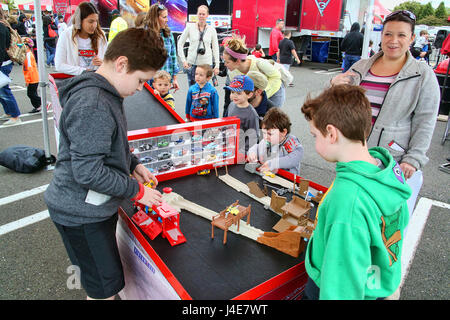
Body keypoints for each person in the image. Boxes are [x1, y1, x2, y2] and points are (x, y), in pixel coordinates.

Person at [44, 28, 167, 300]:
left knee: (105, 279)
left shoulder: (105, 92)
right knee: (103, 286)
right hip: (80, 212)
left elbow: (108, 144)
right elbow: (89, 172)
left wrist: (132, 162)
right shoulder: (95, 103)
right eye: (140, 80)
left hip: (89, 208)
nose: (141, 88)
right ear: (122, 64)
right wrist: (137, 191)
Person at [300, 84, 412, 300]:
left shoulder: (347, 200)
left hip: (330, 287)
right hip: (376, 285)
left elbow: (342, 287)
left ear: (331, 133)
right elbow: (394, 233)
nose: (315, 141)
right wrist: (391, 288)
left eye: (315, 135)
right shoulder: (386, 173)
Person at [331, 10, 440, 218]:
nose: (393, 41)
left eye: (401, 35)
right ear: (381, 36)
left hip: (390, 162)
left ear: (412, 38)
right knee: (349, 215)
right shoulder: (362, 66)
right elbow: (336, 105)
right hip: (353, 157)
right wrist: (332, 86)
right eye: (388, 34)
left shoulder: (422, 74)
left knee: (381, 221)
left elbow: (425, 121)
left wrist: (413, 159)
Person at [224, 34, 285, 107]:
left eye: (227, 62)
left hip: (274, 90)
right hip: (254, 95)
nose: (225, 64)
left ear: (238, 61)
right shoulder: (232, 73)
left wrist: (263, 94)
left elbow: (276, 76)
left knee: (271, 116)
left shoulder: (259, 63)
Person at [55, 2, 108, 75]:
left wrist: (102, 63)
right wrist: (83, 71)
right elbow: (59, 65)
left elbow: (108, 62)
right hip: (74, 81)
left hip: (96, 80)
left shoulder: (100, 36)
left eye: (96, 21)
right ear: (80, 20)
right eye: (90, 21)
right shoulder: (66, 35)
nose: (94, 25)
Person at [247, 108, 303, 175]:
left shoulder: (291, 143)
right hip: (270, 175)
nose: (265, 137)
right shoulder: (268, 139)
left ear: (284, 132)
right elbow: (257, 147)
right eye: (264, 133)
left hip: (288, 179)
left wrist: (273, 163)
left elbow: (293, 159)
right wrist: (252, 153)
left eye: (270, 134)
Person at [177, 5, 220, 87]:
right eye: (199, 14)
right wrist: (183, 60)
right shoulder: (190, 27)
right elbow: (180, 43)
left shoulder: (211, 30)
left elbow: (215, 48)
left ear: (207, 15)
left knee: (206, 91)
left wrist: (217, 65)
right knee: (193, 90)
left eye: (203, 14)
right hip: (192, 64)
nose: (201, 16)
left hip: (206, 64)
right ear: (197, 14)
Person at [144, 3, 180, 92]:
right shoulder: (145, 34)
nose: (167, 20)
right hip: (150, 82)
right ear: (155, 18)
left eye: (167, 17)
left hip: (165, 82)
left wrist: (174, 79)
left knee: (166, 105)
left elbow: (173, 57)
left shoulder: (168, 34)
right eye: (164, 17)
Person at [225, 75, 260, 155]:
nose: (234, 96)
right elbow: (226, 122)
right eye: (232, 92)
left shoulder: (252, 114)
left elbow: (253, 138)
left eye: (239, 93)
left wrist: (242, 153)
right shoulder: (231, 104)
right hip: (229, 145)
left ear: (249, 95)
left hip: (240, 152)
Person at [0, 8, 21, 125]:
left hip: (3, 63)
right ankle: (9, 112)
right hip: (4, 62)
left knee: (4, 90)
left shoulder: (1, 27)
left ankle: (15, 115)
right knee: (2, 90)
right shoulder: (4, 25)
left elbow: (2, 48)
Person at [22, 37, 41, 114]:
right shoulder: (28, 54)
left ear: (26, 46)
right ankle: (38, 106)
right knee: (33, 93)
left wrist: (28, 80)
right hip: (33, 77)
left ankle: (43, 103)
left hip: (32, 78)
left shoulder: (28, 55)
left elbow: (29, 69)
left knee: (30, 93)